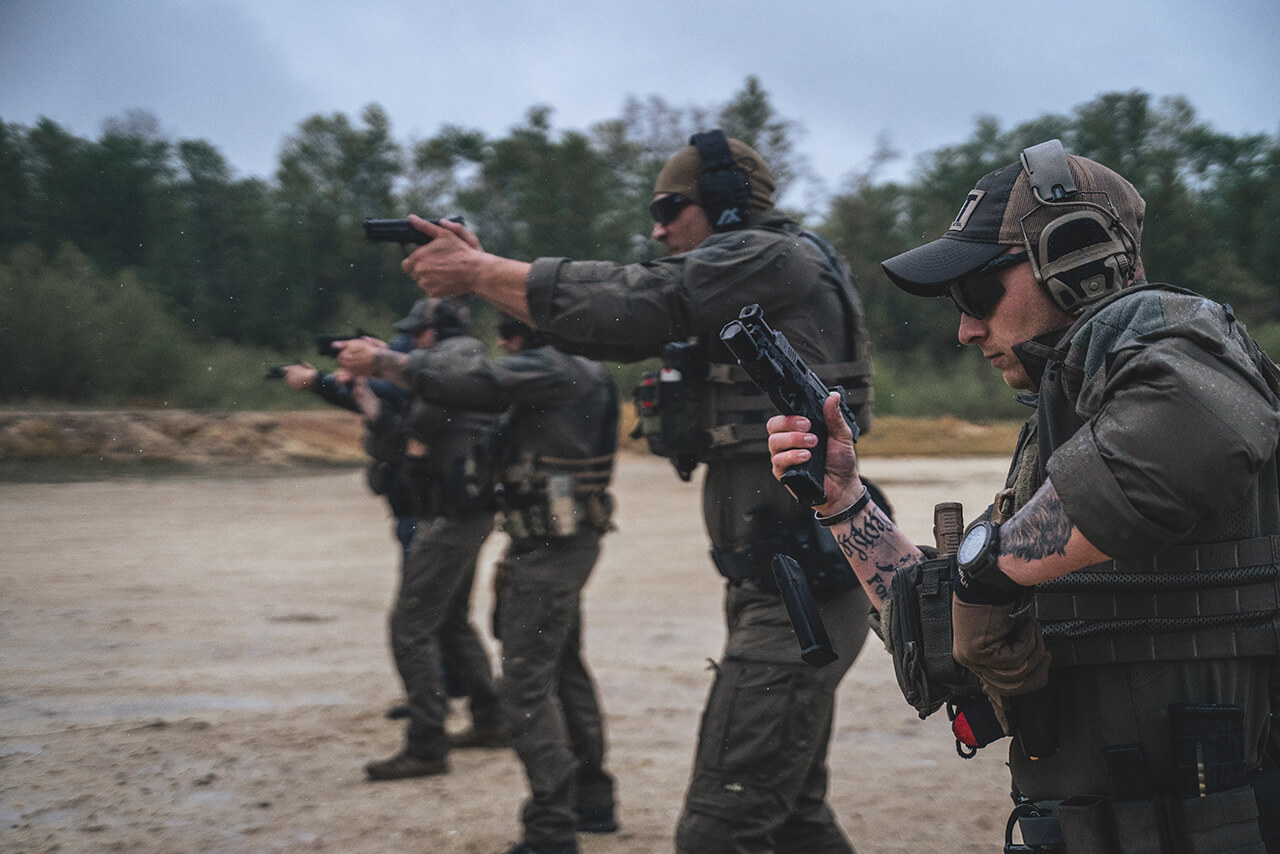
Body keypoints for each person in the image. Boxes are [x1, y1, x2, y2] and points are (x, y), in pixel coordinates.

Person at [768, 139, 1280, 852]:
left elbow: (1190, 436)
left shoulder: (1170, 335)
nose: (965, 327)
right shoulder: (1071, 417)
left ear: (1077, 259)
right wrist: (845, 503)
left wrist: (991, 569)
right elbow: (947, 638)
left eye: (977, 293)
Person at [392, 130, 878, 854]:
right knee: (793, 820)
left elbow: (642, 302)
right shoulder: (756, 268)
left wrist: (482, 270)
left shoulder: (770, 255)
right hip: (781, 580)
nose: (657, 228)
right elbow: (609, 328)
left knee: (722, 827)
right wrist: (487, 270)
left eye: (669, 207)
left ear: (725, 206)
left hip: (799, 587)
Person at [338, 312, 620, 854]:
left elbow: (470, 383)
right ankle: (591, 802)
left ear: (531, 334)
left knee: (527, 684)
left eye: (510, 334)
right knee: (562, 670)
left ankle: (551, 830)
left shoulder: (557, 368)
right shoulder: (580, 368)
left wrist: (384, 362)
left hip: (549, 548)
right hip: (552, 542)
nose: (504, 345)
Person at [348, 298, 508, 781]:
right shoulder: (446, 372)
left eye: (418, 332)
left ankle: (427, 744)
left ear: (434, 333)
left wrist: (384, 370)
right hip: (457, 510)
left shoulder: (460, 358)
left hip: (453, 513)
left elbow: (416, 426)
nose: (412, 340)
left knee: (410, 624)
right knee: (451, 621)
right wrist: (370, 404)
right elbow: (402, 439)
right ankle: (490, 718)